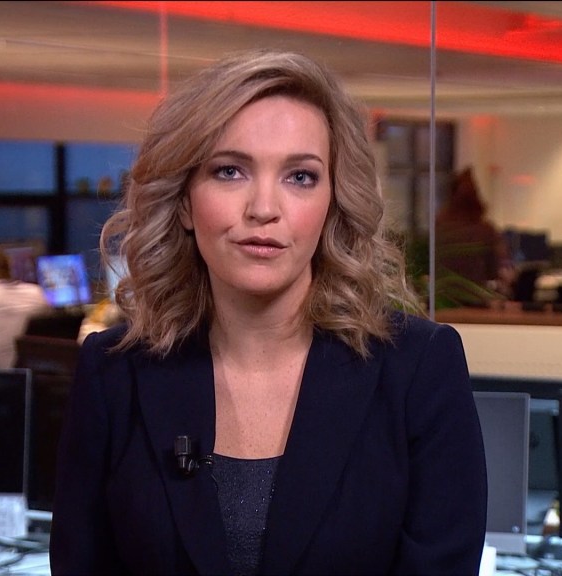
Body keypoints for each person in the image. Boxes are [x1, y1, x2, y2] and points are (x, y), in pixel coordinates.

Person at [50, 49, 488, 575]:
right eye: (230, 171)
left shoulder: (418, 368)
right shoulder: (113, 372)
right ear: (185, 202)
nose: (263, 208)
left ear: (333, 203)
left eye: (300, 177)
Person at [435, 166, 511, 305]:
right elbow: (495, 270)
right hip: (475, 301)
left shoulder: (439, 228)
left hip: (441, 301)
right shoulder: (485, 231)